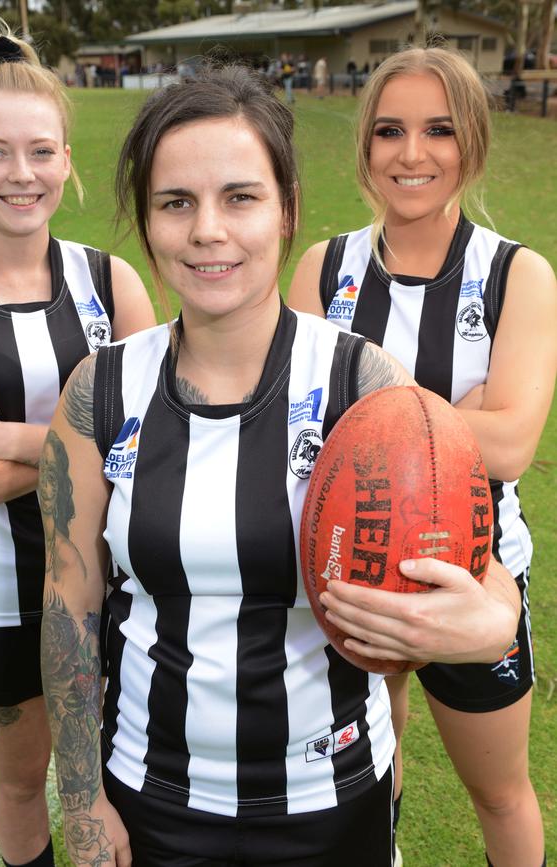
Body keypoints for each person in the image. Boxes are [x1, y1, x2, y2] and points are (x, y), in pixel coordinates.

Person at [39, 64, 522, 867]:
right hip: (151, 797)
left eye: (240, 197)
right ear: (147, 220)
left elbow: (482, 567)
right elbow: (69, 602)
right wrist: (84, 798)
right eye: (176, 203)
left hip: (331, 798)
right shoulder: (101, 389)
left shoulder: (364, 383)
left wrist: (491, 620)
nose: (207, 231)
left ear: (287, 209)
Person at [288, 47, 556, 867]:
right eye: (389, 132)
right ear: (365, 147)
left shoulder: (517, 274)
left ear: (471, 143)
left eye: (438, 130)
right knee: (371, 772)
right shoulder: (324, 268)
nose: (412, 154)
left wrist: (382, 420)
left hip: (476, 577)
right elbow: (291, 427)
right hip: (351, 565)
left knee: (500, 791)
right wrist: (453, 419)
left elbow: (512, 442)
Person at [0, 12, 155, 867]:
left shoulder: (109, 281)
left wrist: (0, 437)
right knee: (21, 784)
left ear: (66, 159)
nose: (23, 173)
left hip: (123, 581)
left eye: (42, 150)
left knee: (126, 775)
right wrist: (80, 442)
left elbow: (153, 441)